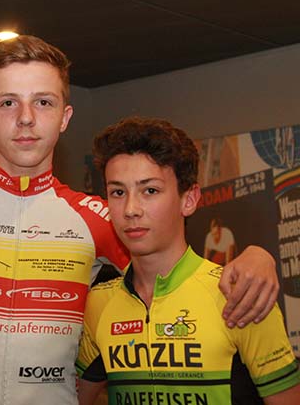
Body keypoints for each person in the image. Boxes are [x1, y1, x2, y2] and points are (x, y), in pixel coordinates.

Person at [0, 35, 281, 405]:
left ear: (65, 117)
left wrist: (258, 257)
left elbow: (176, 281)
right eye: (7, 103)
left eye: (43, 102)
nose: (26, 118)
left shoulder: (99, 217)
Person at [77, 118, 300, 404]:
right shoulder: (100, 304)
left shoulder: (240, 296)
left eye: (150, 190)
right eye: (118, 192)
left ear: (189, 199)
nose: (131, 209)